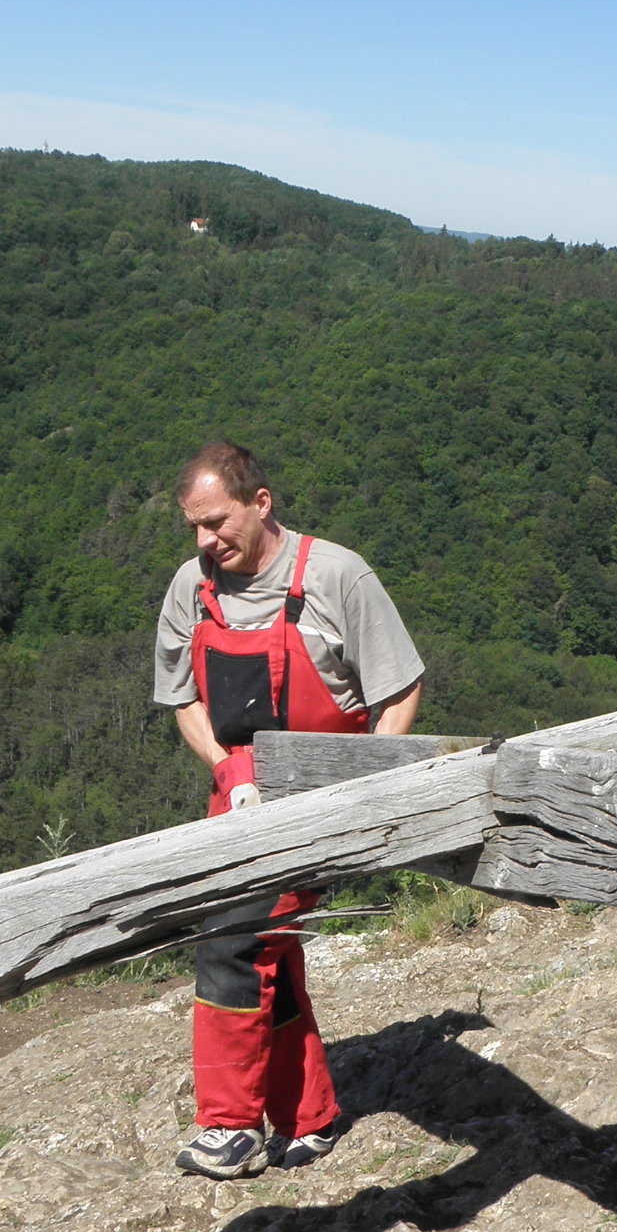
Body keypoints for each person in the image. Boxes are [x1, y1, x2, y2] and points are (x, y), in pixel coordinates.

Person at [153, 441, 425, 1178]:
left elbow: (399, 694)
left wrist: (363, 792)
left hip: (320, 801)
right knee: (267, 947)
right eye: (195, 528)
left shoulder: (336, 575)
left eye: (217, 522)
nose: (207, 541)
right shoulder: (192, 587)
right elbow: (181, 699)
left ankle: (229, 1125)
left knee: (234, 940)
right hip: (234, 798)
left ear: (261, 502)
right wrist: (226, 769)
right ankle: (310, 1115)